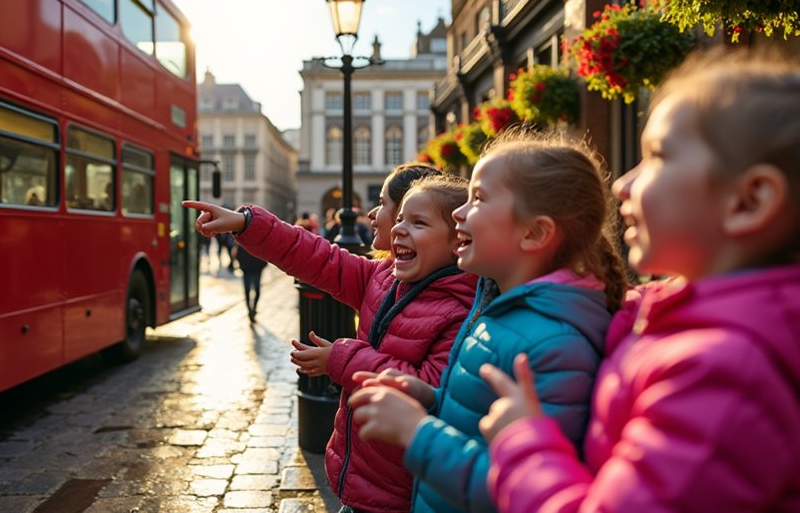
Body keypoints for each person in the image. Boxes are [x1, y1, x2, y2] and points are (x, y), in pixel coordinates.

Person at [478, 53, 800, 512]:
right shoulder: (688, 329)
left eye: (658, 156)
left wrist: (523, 443)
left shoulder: (722, 371)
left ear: (749, 201)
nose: (622, 184)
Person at [348, 132, 628, 513]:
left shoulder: (555, 345)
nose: (460, 213)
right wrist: (431, 400)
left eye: (478, 198)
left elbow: (523, 491)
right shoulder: (496, 304)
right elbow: (484, 425)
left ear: (534, 233)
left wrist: (417, 433)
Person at [183, 163, 476, 513]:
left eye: (416, 222)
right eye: (399, 218)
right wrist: (248, 222)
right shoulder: (383, 277)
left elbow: (430, 389)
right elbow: (318, 257)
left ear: (459, 240)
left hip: (401, 492)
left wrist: (340, 359)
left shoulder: (461, 309)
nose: (397, 228)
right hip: (359, 476)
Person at [233, 244, 267, 322]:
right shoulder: (244, 241)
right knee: (250, 291)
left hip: (254, 270)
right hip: (248, 270)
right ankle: (250, 311)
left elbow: (265, 256)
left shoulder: (257, 242)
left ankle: (252, 310)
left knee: (254, 291)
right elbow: (238, 255)